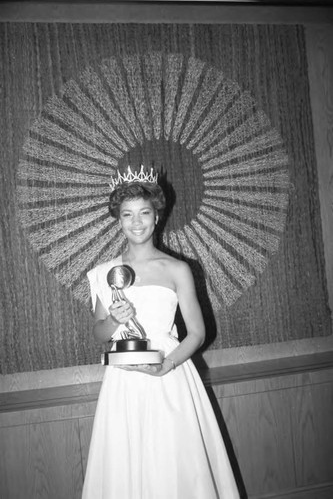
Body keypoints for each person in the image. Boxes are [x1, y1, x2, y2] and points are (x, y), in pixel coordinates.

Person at [82, 166, 240, 499]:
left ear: (157, 217)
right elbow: (99, 335)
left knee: (174, 462)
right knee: (128, 463)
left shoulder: (177, 269)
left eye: (143, 213)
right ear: (119, 219)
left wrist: (166, 365)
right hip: (124, 379)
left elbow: (197, 333)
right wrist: (113, 318)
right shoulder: (102, 273)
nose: (136, 222)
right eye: (127, 214)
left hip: (171, 373)